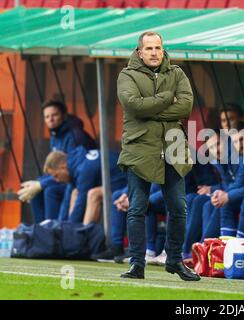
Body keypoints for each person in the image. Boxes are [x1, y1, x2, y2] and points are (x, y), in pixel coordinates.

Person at [116, 31, 199, 281]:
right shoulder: (126, 75)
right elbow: (134, 106)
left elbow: (185, 106)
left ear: (163, 50)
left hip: (173, 147)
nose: (154, 52)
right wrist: (166, 99)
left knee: (179, 208)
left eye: (158, 48)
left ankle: (174, 260)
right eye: (149, 48)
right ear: (139, 52)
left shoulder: (177, 73)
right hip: (139, 149)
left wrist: (151, 109)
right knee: (137, 208)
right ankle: (137, 264)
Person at [17, 100, 95, 223]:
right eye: (47, 117)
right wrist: (38, 182)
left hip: (82, 181)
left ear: (64, 116)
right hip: (66, 178)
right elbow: (54, 167)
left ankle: (53, 231)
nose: (50, 119)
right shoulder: (55, 136)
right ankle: (42, 231)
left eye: (54, 115)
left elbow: (69, 169)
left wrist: (41, 184)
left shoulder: (74, 135)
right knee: (36, 191)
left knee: (50, 190)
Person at [43, 147, 127, 223]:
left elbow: (80, 205)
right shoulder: (75, 164)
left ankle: (83, 235)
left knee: (93, 194)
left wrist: (70, 229)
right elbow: (66, 201)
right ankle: (70, 232)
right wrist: (61, 225)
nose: (56, 180)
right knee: (75, 192)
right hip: (116, 183)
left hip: (127, 183)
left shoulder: (83, 169)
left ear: (63, 167)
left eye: (56, 176)